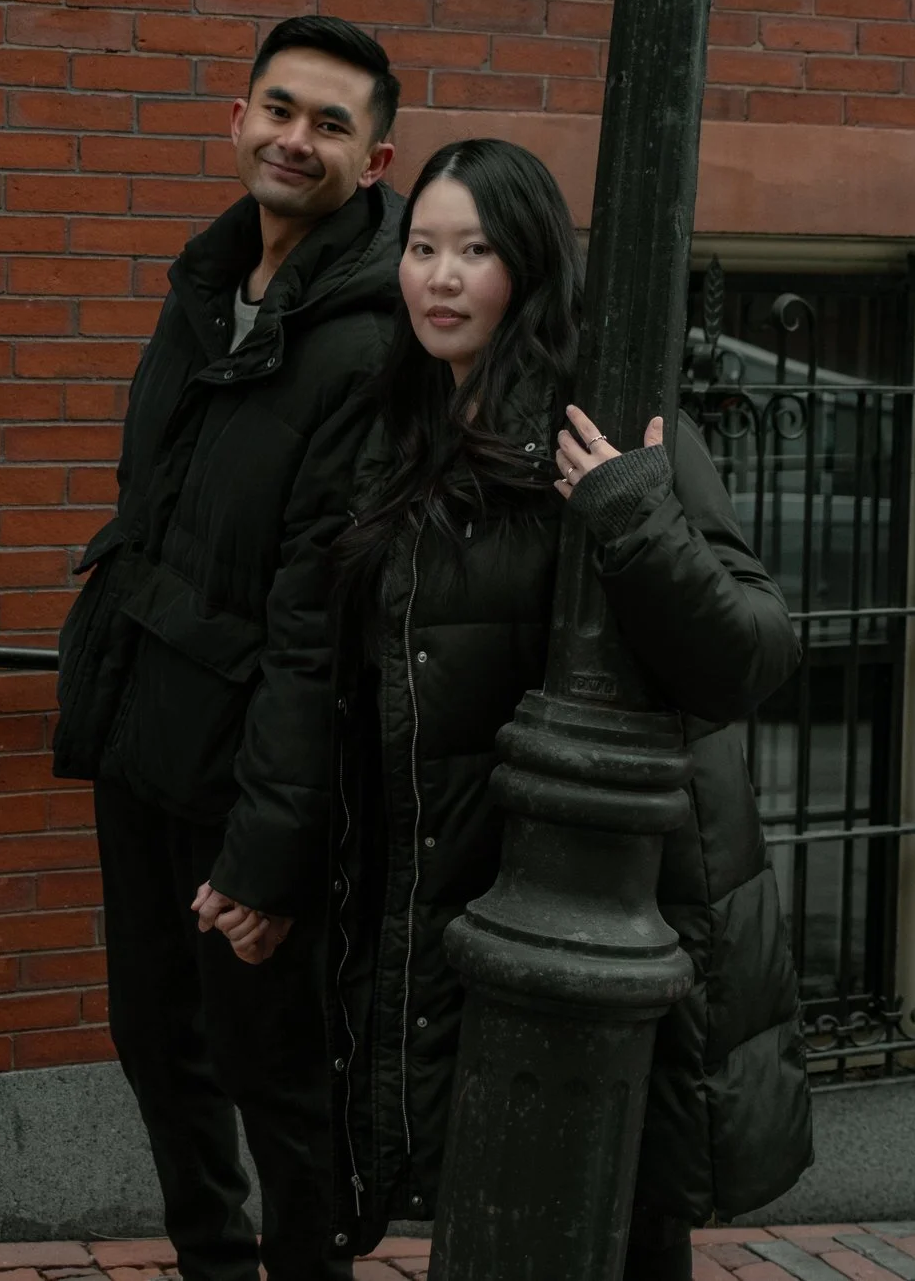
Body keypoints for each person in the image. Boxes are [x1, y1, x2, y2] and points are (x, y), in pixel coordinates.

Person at [310, 138, 812, 1277]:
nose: (439, 276)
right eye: (421, 247)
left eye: (473, 251)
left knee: (619, 1221)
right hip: (470, 900)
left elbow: (751, 653)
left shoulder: (613, 427)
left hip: (621, 915)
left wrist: (629, 513)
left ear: (527, 265)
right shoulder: (398, 431)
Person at [52, 15, 405, 1281]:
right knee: (153, 1033)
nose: (294, 138)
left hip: (254, 771)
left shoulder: (366, 341)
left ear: (373, 163)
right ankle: (214, 1264)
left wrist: (269, 850)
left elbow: (315, 629)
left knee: (273, 1067)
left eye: (329, 123)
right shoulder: (207, 290)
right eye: (278, 109)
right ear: (238, 117)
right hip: (145, 734)